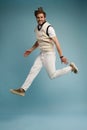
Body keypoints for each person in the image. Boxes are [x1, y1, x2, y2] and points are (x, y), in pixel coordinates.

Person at [10, 7, 78, 96]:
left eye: (41, 17)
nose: (40, 19)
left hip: (49, 54)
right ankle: (22, 89)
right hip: (42, 54)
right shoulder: (37, 28)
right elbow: (39, 41)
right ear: (36, 18)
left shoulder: (49, 28)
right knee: (33, 70)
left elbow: (57, 42)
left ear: (44, 17)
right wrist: (31, 49)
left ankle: (71, 68)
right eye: (38, 17)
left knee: (52, 75)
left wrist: (61, 56)